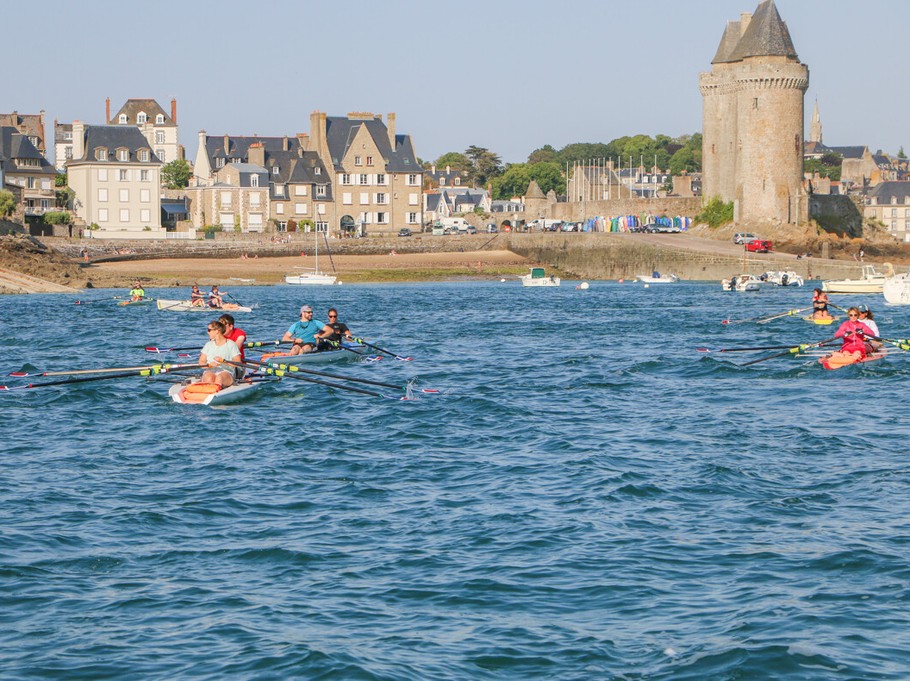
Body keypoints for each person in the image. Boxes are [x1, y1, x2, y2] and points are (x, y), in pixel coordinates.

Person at [198, 320, 241, 387]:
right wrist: (208, 365)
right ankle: (210, 391)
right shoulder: (208, 344)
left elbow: (238, 362)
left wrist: (223, 361)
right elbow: (201, 361)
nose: (207, 332)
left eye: (209, 330)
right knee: (209, 378)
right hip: (210, 371)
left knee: (219, 378)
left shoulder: (231, 344)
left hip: (226, 372)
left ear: (217, 331)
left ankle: (216, 391)